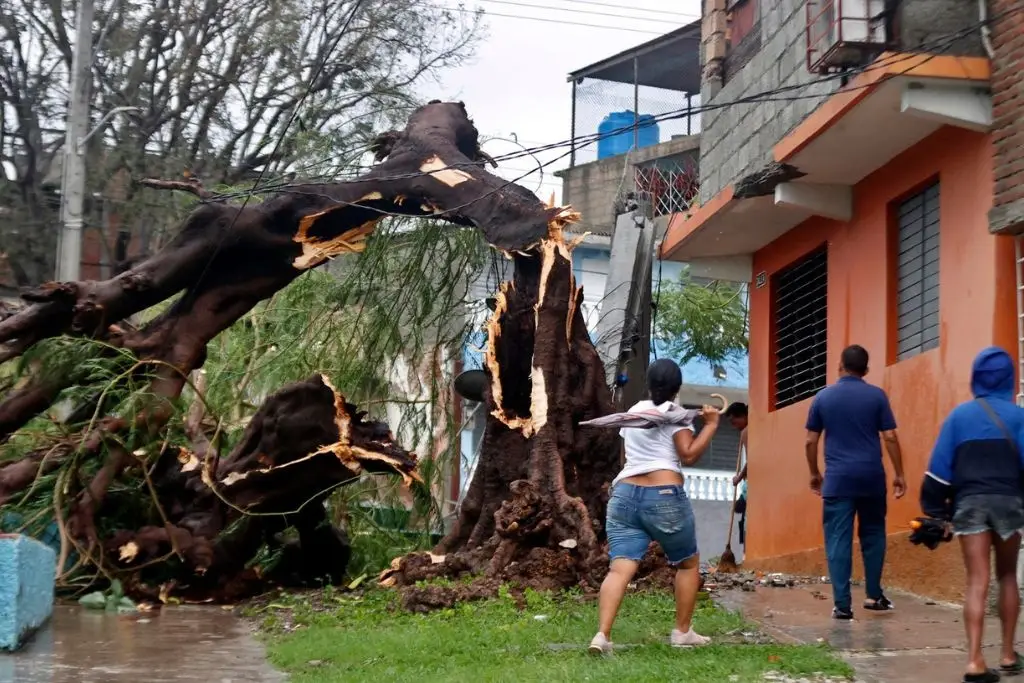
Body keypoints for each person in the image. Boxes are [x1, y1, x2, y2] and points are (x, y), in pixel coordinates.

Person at [589, 358, 720, 654]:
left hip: (624, 495)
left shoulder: (634, 411)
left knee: (620, 568)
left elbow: (627, 457)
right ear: (677, 387)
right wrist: (710, 426)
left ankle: (602, 636)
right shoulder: (675, 413)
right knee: (688, 562)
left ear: (649, 384)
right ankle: (682, 632)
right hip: (663, 496)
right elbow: (687, 455)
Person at [921, 347, 1024, 683]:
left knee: (976, 581)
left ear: (975, 377)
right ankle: (1008, 655)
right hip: (1010, 503)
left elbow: (937, 474)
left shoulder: (958, 417)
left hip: (970, 504)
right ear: (1011, 378)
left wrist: (938, 515)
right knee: (1007, 576)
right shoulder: (1019, 417)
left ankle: (974, 661)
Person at [804, 344, 906, 620]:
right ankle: (874, 595)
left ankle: (842, 604)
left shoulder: (824, 398)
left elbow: (810, 440)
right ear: (867, 370)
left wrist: (814, 473)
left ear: (840, 366)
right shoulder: (877, 396)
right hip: (872, 477)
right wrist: (899, 473)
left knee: (838, 539)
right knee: (873, 535)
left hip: (838, 481)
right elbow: (891, 437)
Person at [724, 402, 749, 546]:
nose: (734, 426)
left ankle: (747, 552)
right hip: (750, 483)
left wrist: (739, 477)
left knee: (746, 520)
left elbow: (753, 459)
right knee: (740, 511)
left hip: (751, 483)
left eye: (734, 421)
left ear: (743, 416)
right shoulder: (750, 429)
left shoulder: (746, 431)